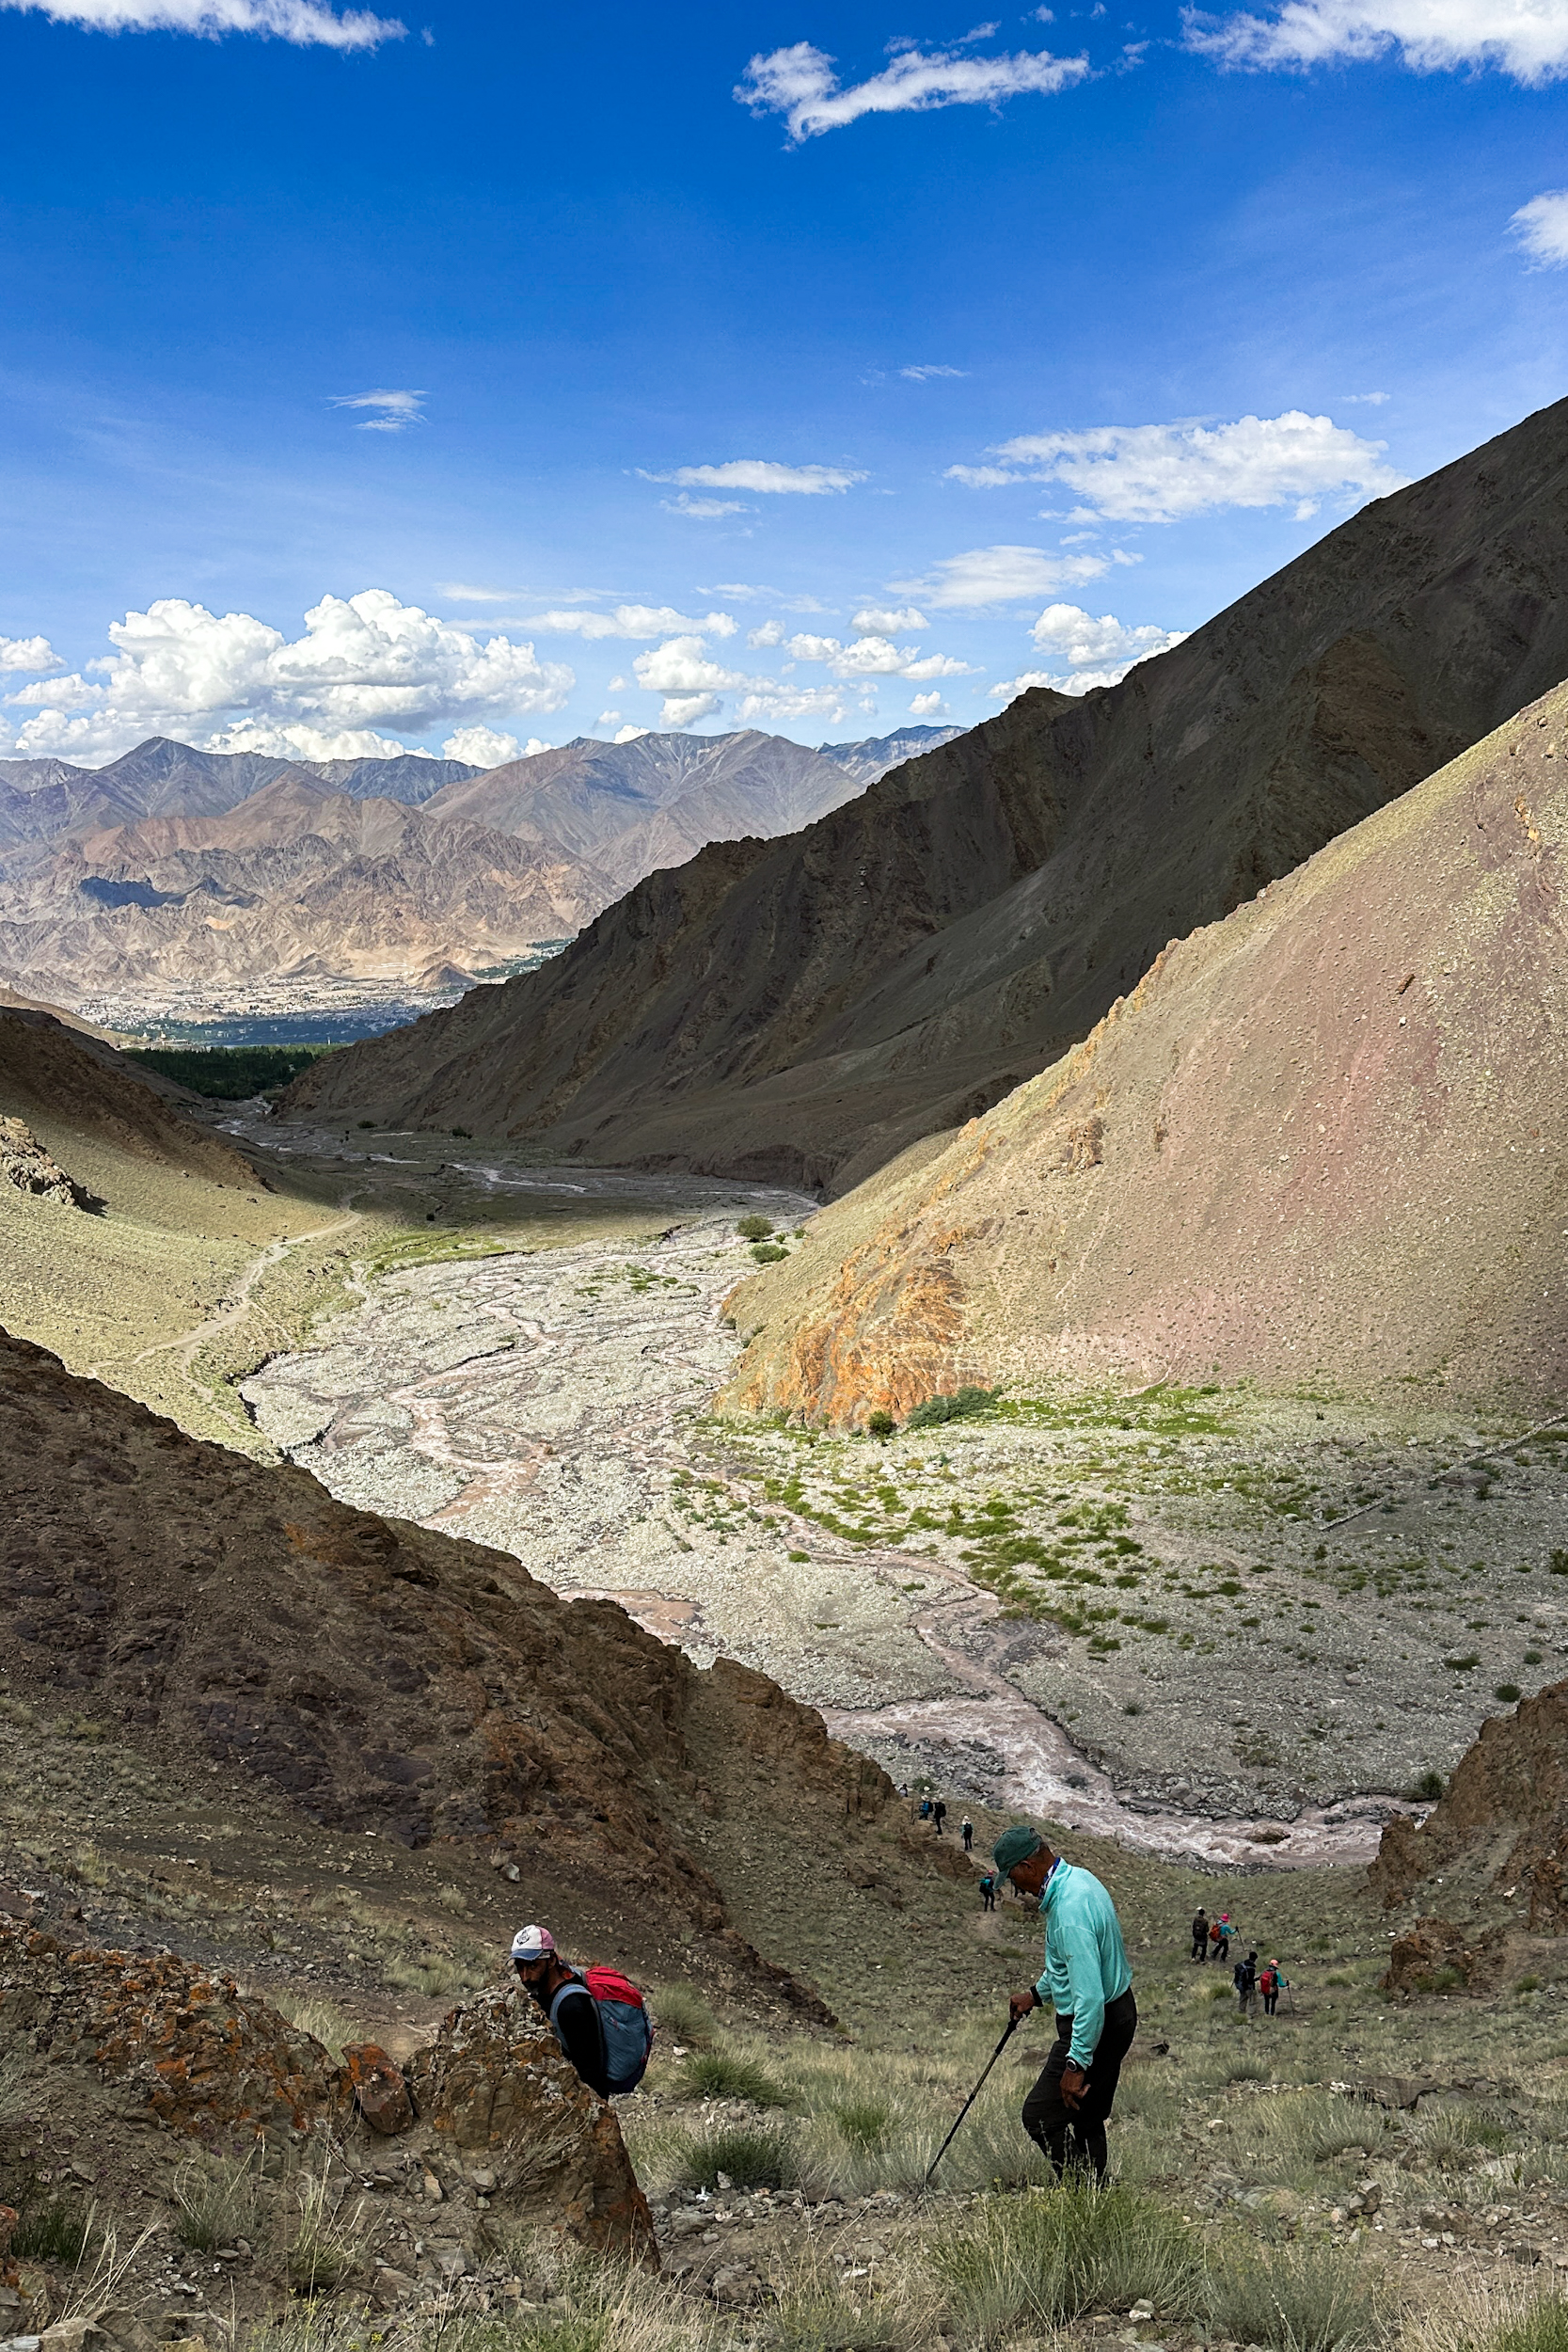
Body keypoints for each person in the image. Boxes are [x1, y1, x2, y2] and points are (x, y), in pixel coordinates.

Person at [994, 1823, 1137, 2185]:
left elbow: (1089, 1997)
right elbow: (1071, 1969)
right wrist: (1036, 1994)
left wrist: (1076, 2063)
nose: (1015, 1888)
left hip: (1096, 2024)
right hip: (1119, 2013)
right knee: (1087, 2115)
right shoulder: (1079, 1880)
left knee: (1039, 2116)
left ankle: (1080, 2190)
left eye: (1012, 1877)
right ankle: (1094, 2194)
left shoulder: (1069, 1912)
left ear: (1027, 1866)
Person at [510, 1925, 611, 2098]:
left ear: (551, 1961)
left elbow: (589, 2072)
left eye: (533, 1966)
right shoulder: (541, 1994)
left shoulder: (571, 2006)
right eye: (520, 1967)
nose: (525, 1976)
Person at [1234, 1948, 1258, 2017]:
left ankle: (1241, 2012)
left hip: (1241, 1985)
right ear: (1255, 1959)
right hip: (1248, 1986)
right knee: (1252, 2000)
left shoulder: (1243, 1964)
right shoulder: (1251, 1968)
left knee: (1243, 1999)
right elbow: (1250, 1979)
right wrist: (1256, 1980)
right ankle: (1251, 2014)